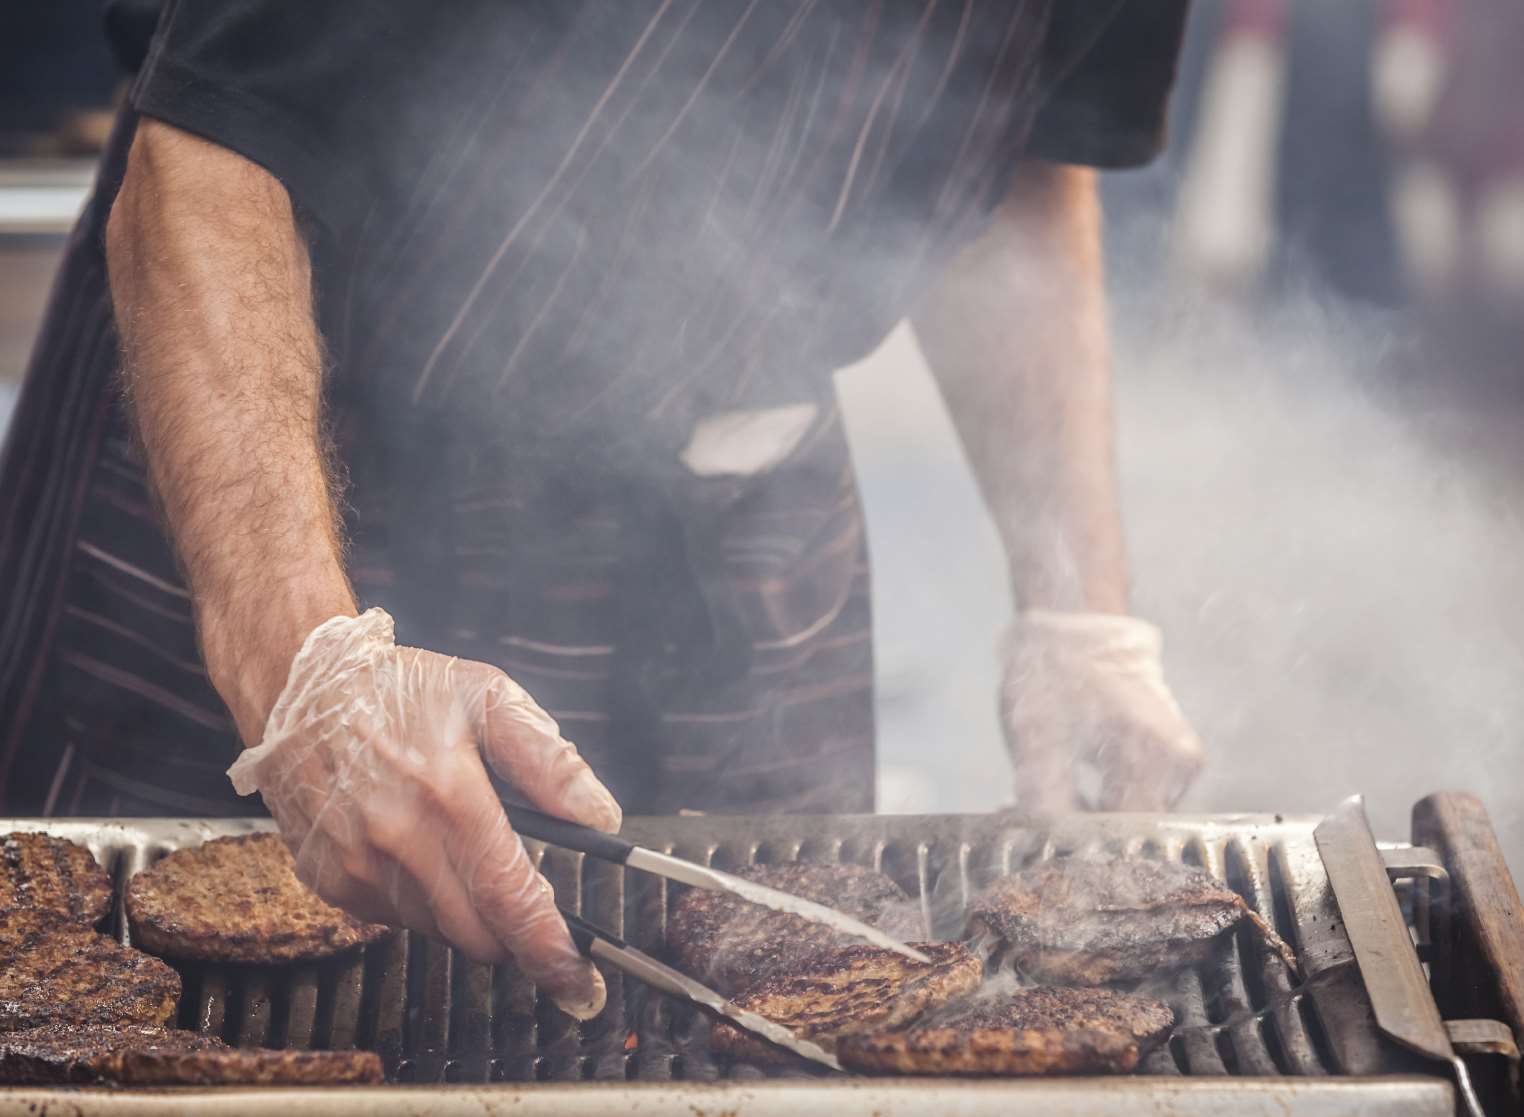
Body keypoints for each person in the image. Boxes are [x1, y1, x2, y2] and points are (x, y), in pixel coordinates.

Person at [0, 1, 1201, 1018]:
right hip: (301, 476)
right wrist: (305, 670)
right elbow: (206, 160)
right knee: (153, 1015)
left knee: (765, 1016)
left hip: (741, 534)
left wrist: (1080, 617)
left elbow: (1027, 157)